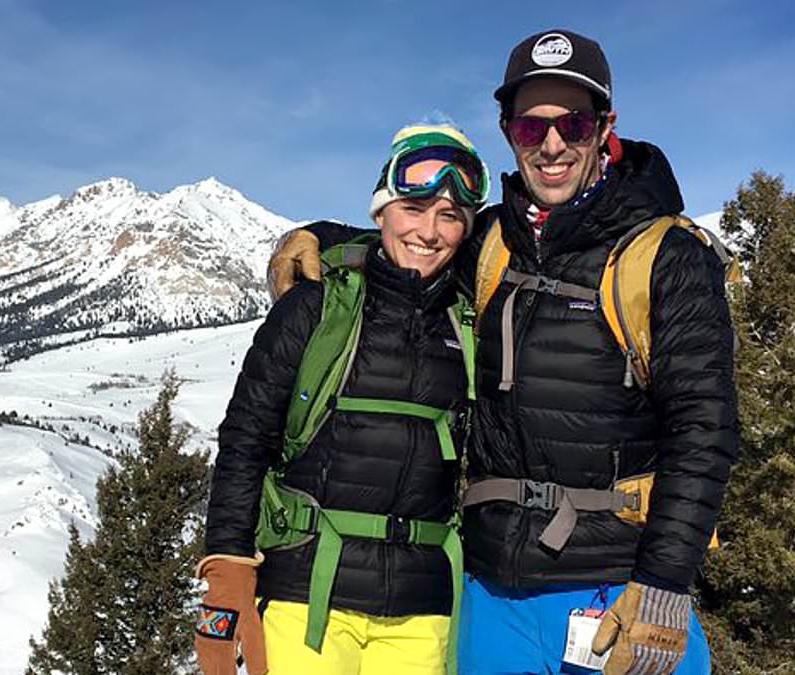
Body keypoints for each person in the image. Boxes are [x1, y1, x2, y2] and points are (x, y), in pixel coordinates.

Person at [270, 29, 738, 675]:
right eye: (529, 127)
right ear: (508, 131)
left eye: (573, 123)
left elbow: (704, 429)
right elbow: (415, 241)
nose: (552, 145)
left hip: (615, 587)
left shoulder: (667, 256)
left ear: (605, 127)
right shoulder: (495, 240)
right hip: (493, 593)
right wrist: (318, 236)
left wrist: (662, 584)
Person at [195, 124, 489, 675]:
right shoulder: (314, 307)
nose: (428, 231)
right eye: (412, 208)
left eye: (450, 216)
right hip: (307, 595)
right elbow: (246, 438)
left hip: (422, 608)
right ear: (381, 211)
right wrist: (226, 573)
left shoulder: (469, 319)